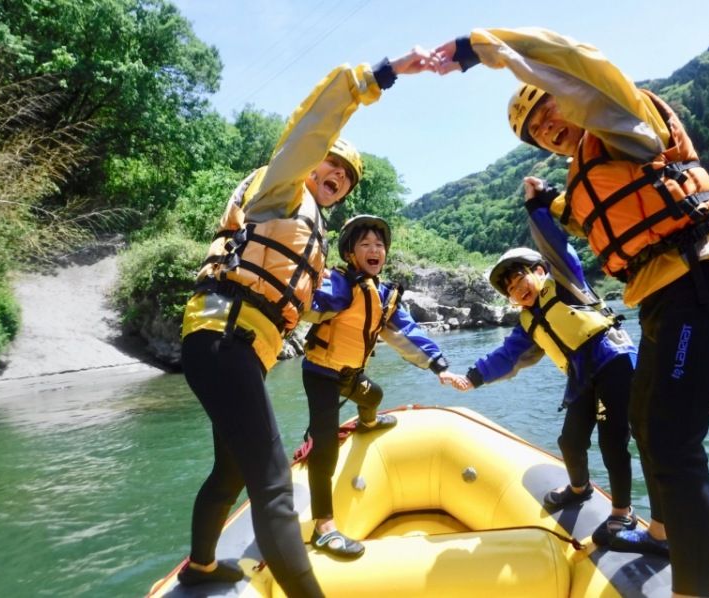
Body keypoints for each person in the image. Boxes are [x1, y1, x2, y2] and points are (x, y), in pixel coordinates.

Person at [431, 28, 709, 597]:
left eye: (547, 108)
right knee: (649, 429)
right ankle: (662, 532)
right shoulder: (585, 171)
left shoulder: (621, 119)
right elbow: (582, 218)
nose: (547, 128)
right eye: (536, 133)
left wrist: (486, 47)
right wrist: (540, 201)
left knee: (672, 440)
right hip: (663, 298)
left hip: (699, 280)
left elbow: (580, 61)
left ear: (567, 94)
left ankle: (690, 588)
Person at [177, 48, 434, 595]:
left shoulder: (308, 232)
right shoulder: (281, 189)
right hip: (225, 338)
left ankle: (200, 566)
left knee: (231, 471)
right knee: (272, 485)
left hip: (228, 344)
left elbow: (309, 296)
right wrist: (377, 77)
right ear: (312, 162)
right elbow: (312, 126)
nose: (339, 175)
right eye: (332, 163)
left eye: (349, 176)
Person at [442, 177, 638, 546]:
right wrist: (472, 377)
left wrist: (536, 207)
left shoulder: (564, 277)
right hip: (582, 376)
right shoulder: (528, 324)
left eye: (520, 279)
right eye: (511, 290)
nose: (519, 289)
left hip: (613, 361)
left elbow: (555, 242)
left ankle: (622, 515)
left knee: (613, 442)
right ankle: (580, 489)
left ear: (539, 272)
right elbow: (505, 358)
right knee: (570, 440)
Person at [301, 214, 455, 559]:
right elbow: (308, 306)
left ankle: (367, 421)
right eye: (366, 245)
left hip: (351, 374)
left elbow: (408, 335)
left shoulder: (384, 296)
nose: (375, 250)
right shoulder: (339, 285)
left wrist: (438, 365)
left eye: (379, 245)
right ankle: (323, 528)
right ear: (351, 254)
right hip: (321, 373)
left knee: (376, 397)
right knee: (325, 445)